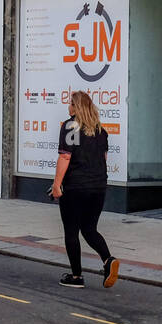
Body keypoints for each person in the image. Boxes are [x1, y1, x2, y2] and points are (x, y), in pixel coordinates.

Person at [50, 91, 120, 289]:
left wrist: (57, 184)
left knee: (71, 231)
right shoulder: (100, 131)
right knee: (89, 228)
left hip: (75, 187)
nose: (68, 106)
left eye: (70, 103)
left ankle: (76, 276)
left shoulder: (70, 126)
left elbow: (65, 157)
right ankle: (108, 260)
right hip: (98, 186)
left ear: (76, 107)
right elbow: (103, 159)